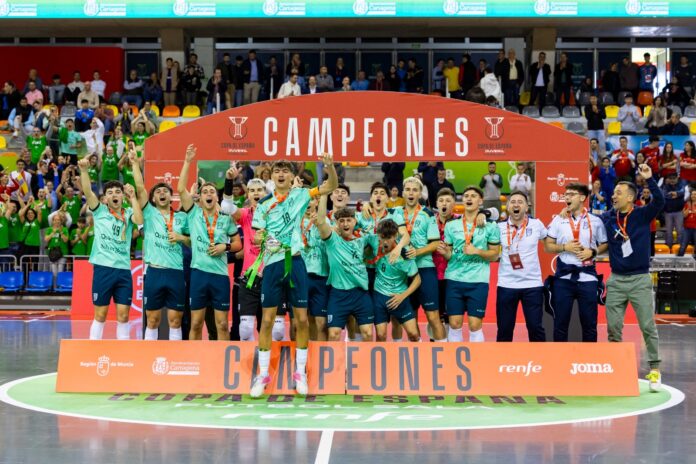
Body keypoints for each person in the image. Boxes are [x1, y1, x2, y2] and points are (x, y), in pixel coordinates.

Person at [249, 154, 337, 398]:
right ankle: (262, 375)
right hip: (272, 264)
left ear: (291, 177)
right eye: (277, 171)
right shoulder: (264, 204)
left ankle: (300, 373)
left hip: (296, 262)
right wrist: (263, 238)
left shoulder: (301, 195)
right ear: (271, 176)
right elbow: (256, 237)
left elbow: (331, 186)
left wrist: (329, 167)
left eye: (285, 171)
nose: (281, 174)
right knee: (267, 320)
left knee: (302, 320)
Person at [602, 164, 664, 391]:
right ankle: (617, 368)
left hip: (639, 279)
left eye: (618, 193)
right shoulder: (608, 218)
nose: (613, 195)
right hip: (616, 280)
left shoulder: (641, 214)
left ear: (630, 197)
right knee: (613, 328)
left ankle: (655, 369)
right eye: (613, 192)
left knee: (647, 326)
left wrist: (650, 179)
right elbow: (587, 219)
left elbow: (660, 202)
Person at [177, 145, 242, 341]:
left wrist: (225, 247)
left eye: (212, 191)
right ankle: (195, 358)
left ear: (217, 197)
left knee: (222, 324)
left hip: (220, 276)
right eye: (205, 191)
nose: (208, 194)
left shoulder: (225, 218)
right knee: (196, 323)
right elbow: (180, 189)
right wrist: (188, 161)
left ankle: (223, 358)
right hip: (198, 274)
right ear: (201, 196)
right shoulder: (194, 213)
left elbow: (238, 244)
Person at [77, 156, 143, 340]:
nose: (114, 195)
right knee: (100, 315)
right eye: (110, 192)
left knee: (123, 316)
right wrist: (84, 171)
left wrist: (133, 198)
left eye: (118, 192)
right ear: (105, 198)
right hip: (103, 269)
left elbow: (139, 221)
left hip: (123, 270)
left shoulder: (128, 213)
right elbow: (88, 192)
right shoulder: (100, 211)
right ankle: (93, 349)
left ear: (122, 196)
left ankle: (122, 351)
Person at [131, 151, 190, 341]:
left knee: (176, 320)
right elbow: (140, 187)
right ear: (153, 199)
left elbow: (193, 242)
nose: (162, 193)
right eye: (158, 192)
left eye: (165, 191)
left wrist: (181, 237)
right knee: (152, 319)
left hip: (176, 272)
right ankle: (149, 354)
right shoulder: (149, 213)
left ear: (171, 197)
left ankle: (175, 355)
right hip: (154, 272)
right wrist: (135, 163)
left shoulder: (182, 217)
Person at [220, 166, 283, 343]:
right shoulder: (245, 215)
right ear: (248, 195)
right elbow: (226, 206)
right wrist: (229, 180)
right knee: (245, 329)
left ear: (266, 193)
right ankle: (248, 360)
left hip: (273, 275)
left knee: (277, 331)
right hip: (249, 278)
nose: (256, 193)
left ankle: (272, 358)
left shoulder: (277, 215)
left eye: (260, 190)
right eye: (252, 190)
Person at [545, 183, 608, 342]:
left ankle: (589, 357)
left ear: (582, 198)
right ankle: (560, 356)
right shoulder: (558, 220)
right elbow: (548, 246)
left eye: (571, 194)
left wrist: (592, 252)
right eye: (566, 195)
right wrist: (564, 247)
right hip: (563, 278)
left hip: (588, 277)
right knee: (560, 324)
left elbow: (605, 244)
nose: (567, 197)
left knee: (589, 324)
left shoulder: (595, 221)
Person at [438, 186, 500, 342]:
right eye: (466, 196)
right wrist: (444, 252)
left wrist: (477, 251)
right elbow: (449, 255)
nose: (469, 198)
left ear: (480, 201)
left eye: (473, 196)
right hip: (454, 279)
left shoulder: (490, 226)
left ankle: (477, 357)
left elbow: (494, 255)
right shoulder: (452, 225)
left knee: (475, 325)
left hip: (478, 281)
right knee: (454, 323)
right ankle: (454, 356)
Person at [393, 177, 446, 341]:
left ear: (419, 194)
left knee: (433, 316)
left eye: (415, 190)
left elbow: (435, 243)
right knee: (411, 317)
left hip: (424, 269)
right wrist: (367, 206)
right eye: (408, 189)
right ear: (403, 193)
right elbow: (377, 208)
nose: (411, 193)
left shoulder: (427, 214)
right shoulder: (395, 212)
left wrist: (417, 252)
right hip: (404, 271)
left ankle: (443, 350)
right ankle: (417, 351)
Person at [496, 191, 548, 342]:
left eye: (520, 202)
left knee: (535, 328)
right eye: (513, 202)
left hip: (532, 285)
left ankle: (541, 357)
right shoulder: (499, 227)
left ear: (526, 207)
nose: (516, 204)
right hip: (506, 284)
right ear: (507, 206)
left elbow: (549, 244)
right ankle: (502, 358)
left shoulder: (537, 224)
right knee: (504, 329)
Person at [369, 219, 422, 342]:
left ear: (395, 236)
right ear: (378, 235)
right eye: (382, 238)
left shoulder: (405, 254)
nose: (385, 242)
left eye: (389, 238)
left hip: (399, 296)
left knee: (414, 335)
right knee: (381, 335)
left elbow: (417, 280)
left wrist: (402, 296)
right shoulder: (374, 241)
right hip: (379, 295)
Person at [661, 174, 686, 252]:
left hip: (679, 212)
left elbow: (683, 192)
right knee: (669, 231)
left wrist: (676, 194)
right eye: (670, 178)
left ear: (677, 178)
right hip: (668, 212)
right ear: (668, 179)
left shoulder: (681, 185)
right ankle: (669, 248)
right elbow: (665, 195)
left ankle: (680, 248)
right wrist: (677, 195)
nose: (672, 180)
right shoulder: (665, 186)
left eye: (674, 178)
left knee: (680, 231)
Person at [679, 189, 696, 257]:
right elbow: (684, 216)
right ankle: (679, 260)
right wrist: (688, 209)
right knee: (683, 245)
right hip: (687, 228)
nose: (693, 196)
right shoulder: (687, 204)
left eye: (695, 194)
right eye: (692, 194)